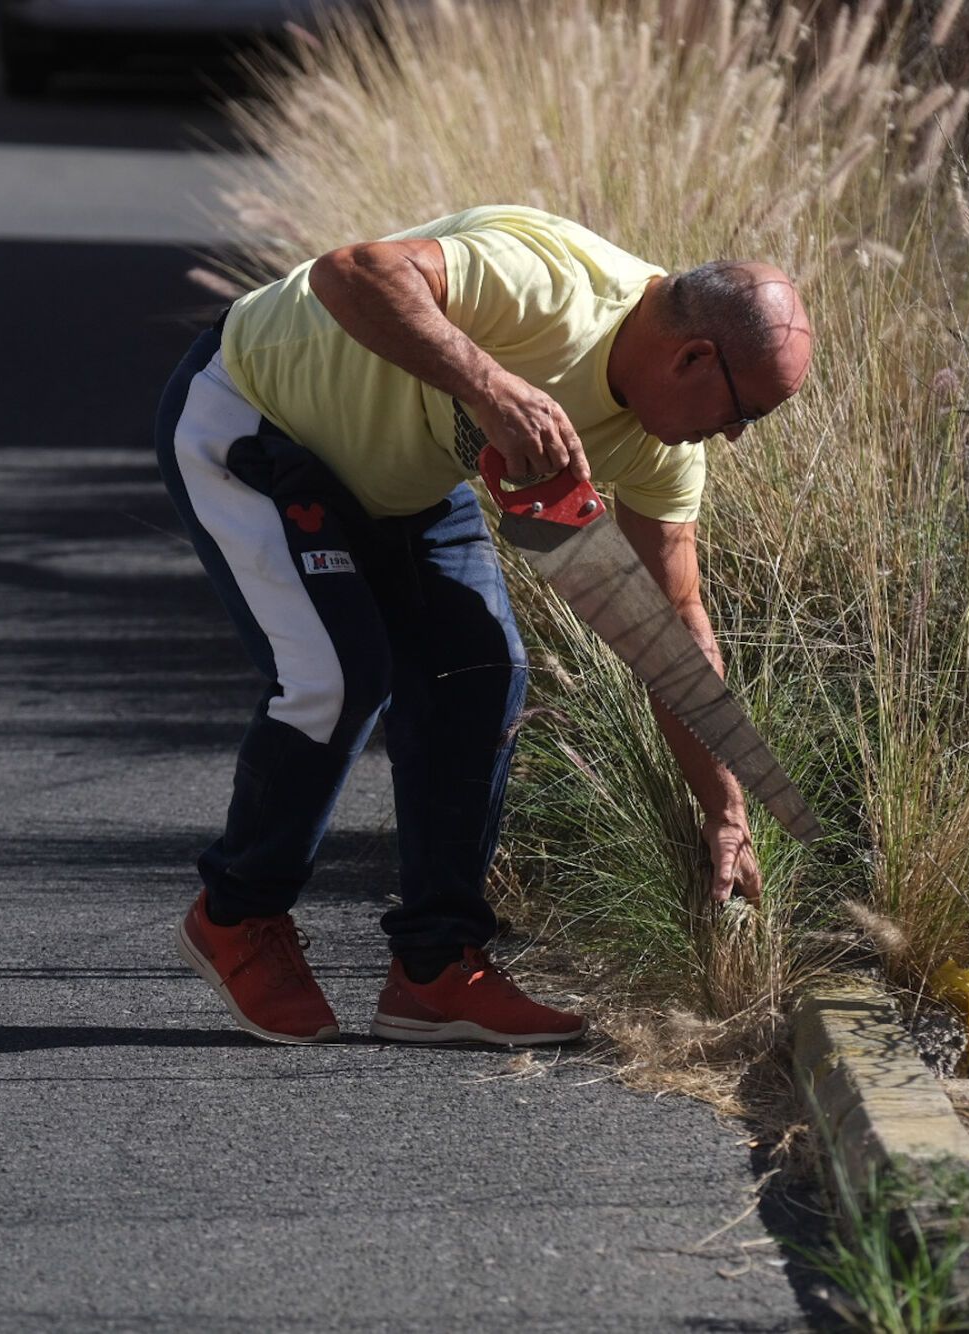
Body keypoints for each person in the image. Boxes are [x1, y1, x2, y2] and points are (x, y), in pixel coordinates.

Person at [153, 204, 812, 1046]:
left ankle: (437, 969)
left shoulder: (665, 450)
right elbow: (349, 269)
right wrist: (492, 384)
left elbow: (672, 626)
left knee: (482, 677)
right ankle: (237, 913)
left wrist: (725, 808)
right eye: (745, 412)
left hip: (401, 486)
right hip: (253, 422)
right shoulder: (548, 287)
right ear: (692, 356)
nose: (737, 436)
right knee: (338, 675)